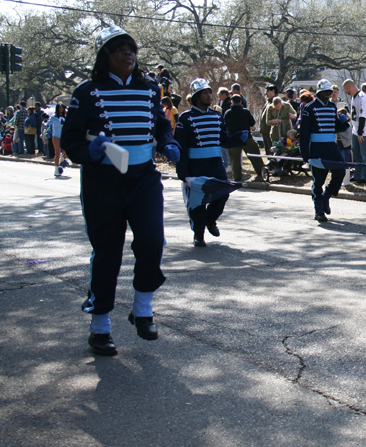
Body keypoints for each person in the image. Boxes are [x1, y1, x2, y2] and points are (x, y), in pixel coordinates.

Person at [60, 25, 181, 356]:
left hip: (143, 177)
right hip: (103, 181)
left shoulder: (149, 88)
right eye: (120, 48)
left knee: (153, 241)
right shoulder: (86, 91)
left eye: (132, 48)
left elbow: (159, 125)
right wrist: (90, 153)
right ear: (105, 55)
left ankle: (142, 307)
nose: (128, 53)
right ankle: (100, 326)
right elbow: (71, 139)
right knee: (108, 252)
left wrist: (168, 142)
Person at [174, 78, 247, 247]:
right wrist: (183, 173)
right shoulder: (185, 118)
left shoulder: (217, 116)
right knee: (198, 200)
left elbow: (223, 140)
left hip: (216, 163)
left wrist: (238, 138)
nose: (209, 96)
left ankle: (210, 219)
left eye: (209, 92)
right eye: (204, 93)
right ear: (196, 96)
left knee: (223, 193)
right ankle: (198, 234)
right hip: (196, 164)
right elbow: (181, 147)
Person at [299, 79, 350, 221]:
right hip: (317, 148)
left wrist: (343, 122)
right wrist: (305, 156)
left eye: (329, 92)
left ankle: (326, 196)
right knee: (318, 180)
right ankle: (319, 211)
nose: (328, 95)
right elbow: (303, 134)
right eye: (325, 92)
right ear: (319, 93)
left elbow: (335, 127)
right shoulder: (309, 108)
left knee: (340, 172)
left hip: (332, 146)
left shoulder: (333, 107)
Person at [224, 94, 265, 182]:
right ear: (241, 101)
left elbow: (225, 125)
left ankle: (237, 176)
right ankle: (261, 172)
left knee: (234, 159)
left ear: (232, 102)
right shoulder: (245, 111)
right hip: (246, 137)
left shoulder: (228, 113)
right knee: (255, 155)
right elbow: (252, 123)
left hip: (233, 138)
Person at [344, 79, 366, 184]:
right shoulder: (355, 97)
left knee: (365, 155)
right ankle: (357, 175)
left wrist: (360, 133)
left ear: (349, 87)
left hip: (364, 131)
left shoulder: (362, 98)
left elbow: (363, 117)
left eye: (345, 89)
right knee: (356, 154)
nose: (345, 92)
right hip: (356, 129)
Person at [50, 103, 67, 176]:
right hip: (56, 136)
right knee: (57, 152)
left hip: (64, 136)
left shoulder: (65, 117)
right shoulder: (54, 117)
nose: (61, 109)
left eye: (62, 107)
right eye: (59, 107)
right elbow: (48, 124)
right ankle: (56, 169)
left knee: (68, 149)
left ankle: (63, 158)